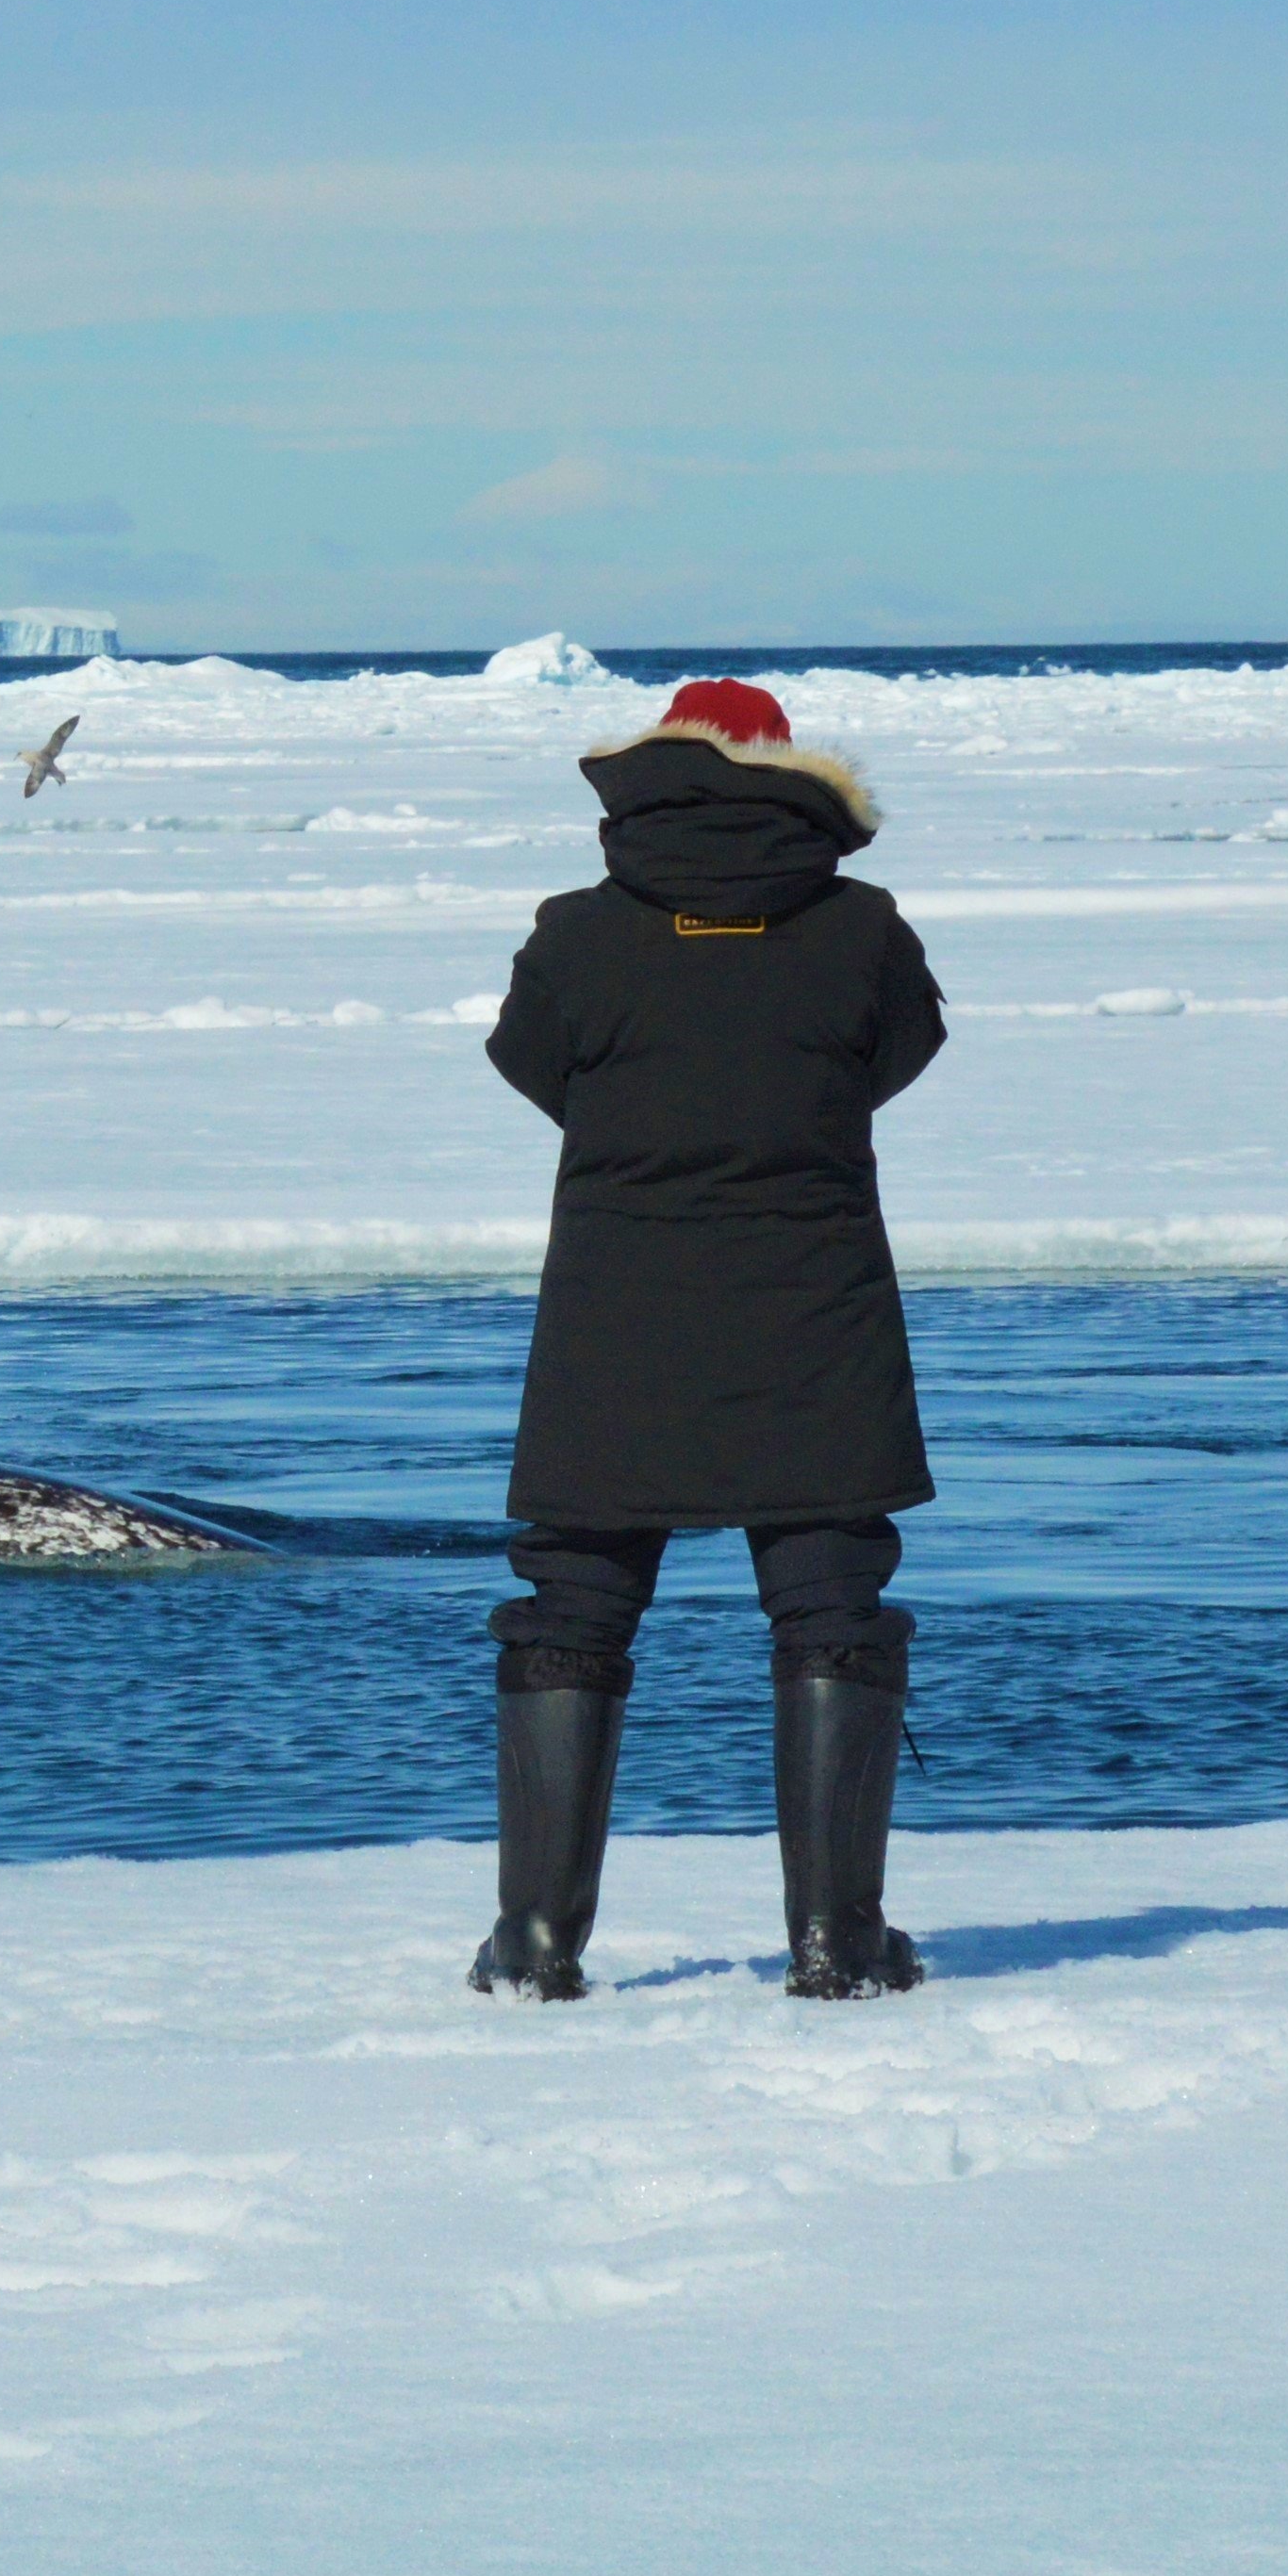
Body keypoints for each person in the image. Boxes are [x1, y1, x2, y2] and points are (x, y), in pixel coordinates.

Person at [475, 675, 947, 2004]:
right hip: (812, 1290)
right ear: (788, 772)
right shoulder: (858, 927)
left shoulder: (576, 931)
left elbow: (531, 1065)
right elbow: (898, 1054)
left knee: (571, 1598)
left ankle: (533, 1946)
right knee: (829, 1597)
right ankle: (835, 1944)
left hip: (615, 1299)